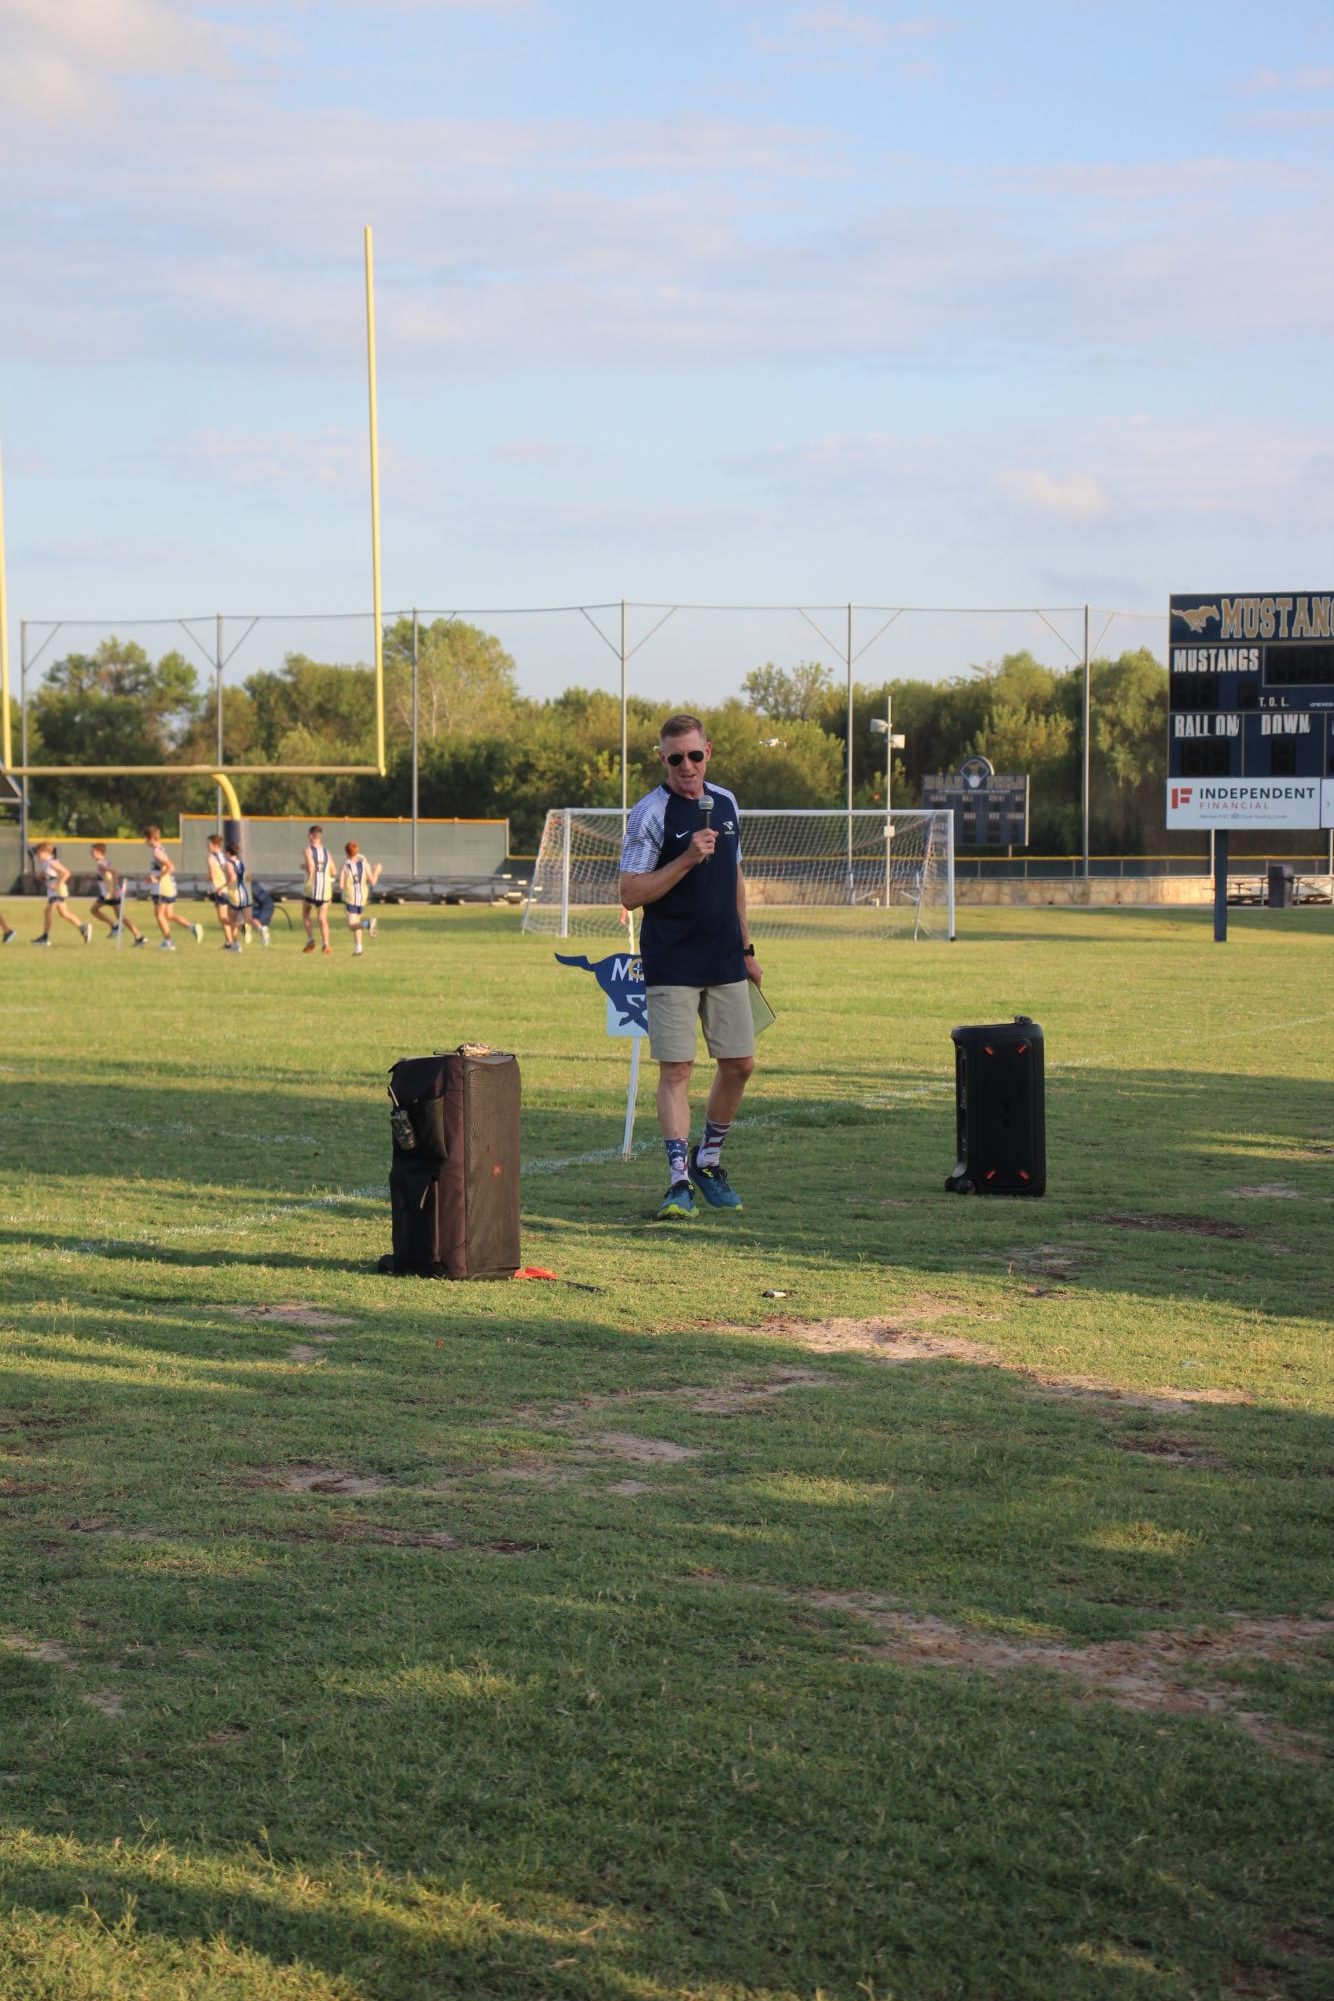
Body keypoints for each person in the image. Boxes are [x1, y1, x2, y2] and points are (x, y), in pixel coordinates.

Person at [618, 712, 763, 1219]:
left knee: (740, 1064)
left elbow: (736, 877)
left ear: (709, 753)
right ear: (662, 759)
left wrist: (746, 949)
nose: (686, 766)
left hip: (724, 957)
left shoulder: (725, 803)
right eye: (675, 757)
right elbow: (630, 892)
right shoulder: (649, 814)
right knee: (677, 1069)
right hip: (673, 959)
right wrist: (684, 860)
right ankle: (678, 1180)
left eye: (694, 755)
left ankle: (709, 1159)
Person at [143, 825, 204, 951]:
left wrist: (157, 878)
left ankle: (168, 942)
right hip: (169, 886)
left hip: (161, 888)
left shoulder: (157, 851)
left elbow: (171, 867)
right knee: (169, 915)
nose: (145, 841)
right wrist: (153, 877)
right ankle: (192, 926)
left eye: (146, 838)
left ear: (151, 838)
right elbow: (163, 867)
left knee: (159, 915)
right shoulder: (161, 849)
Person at [30, 843, 93, 946]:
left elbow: (66, 873)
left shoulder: (51, 862)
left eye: (38, 853)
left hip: (57, 891)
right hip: (53, 892)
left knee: (47, 911)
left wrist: (57, 885)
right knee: (63, 913)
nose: (37, 855)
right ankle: (83, 928)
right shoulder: (46, 863)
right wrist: (42, 877)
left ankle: (45, 938)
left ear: (44, 852)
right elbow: (52, 875)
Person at [89, 842, 146, 945]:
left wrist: (114, 889)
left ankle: (114, 926)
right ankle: (138, 936)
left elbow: (114, 872)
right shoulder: (104, 862)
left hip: (109, 894)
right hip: (110, 893)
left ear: (99, 852)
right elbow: (107, 876)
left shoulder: (100, 864)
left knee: (93, 910)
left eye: (93, 851)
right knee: (120, 916)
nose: (91, 854)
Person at [339, 841, 381, 957]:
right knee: (357, 923)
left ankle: (368, 924)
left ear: (346, 852)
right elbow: (372, 881)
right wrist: (376, 871)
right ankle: (359, 948)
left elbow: (341, 885)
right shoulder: (364, 864)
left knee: (351, 925)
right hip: (362, 898)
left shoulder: (345, 866)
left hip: (351, 898)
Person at [301, 824, 335, 955]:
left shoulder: (308, 850)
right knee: (322, 918)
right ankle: (326, 943)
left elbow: (310, 868)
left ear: (311, 835)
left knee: (305, 914)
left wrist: (304, 867)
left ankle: (310, 939)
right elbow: (333, 871)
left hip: (312, 888)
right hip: (325, 889)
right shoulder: (326, 852)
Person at [205, 833, 238, 949]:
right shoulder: (224, 856)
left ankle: (238, 930)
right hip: (228, 889)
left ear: (215, 844)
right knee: (227, 917)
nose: (207, 846)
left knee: (223, 918)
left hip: (220, 890)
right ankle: (231, 942)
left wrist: (208, 878)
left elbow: (211, 876)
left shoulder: (211, 857)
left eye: (208, 844)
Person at [223, 839, 252, 949]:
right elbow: (248, 877)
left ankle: (235, 944)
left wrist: (223, 887)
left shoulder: (228, 863)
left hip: (234, 894)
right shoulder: (241, 863)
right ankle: (244, 927)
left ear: (228, 853)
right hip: (244, 894)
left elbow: (233, 877)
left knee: (231, 921)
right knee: (239, 919)